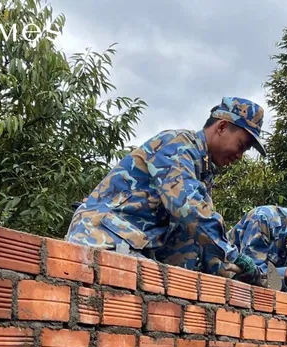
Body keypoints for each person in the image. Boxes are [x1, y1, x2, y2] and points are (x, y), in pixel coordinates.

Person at [65, 97, 267, 285]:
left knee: (177, 290)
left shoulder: (201, 172)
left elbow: (195, 241)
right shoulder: (177, 145)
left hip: (129, 246)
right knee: (151, 288)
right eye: (241, 145)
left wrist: (235, 274)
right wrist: (233, 255)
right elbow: (190, 211)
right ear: (222, 127)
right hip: (102, 237)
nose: (240, 156)